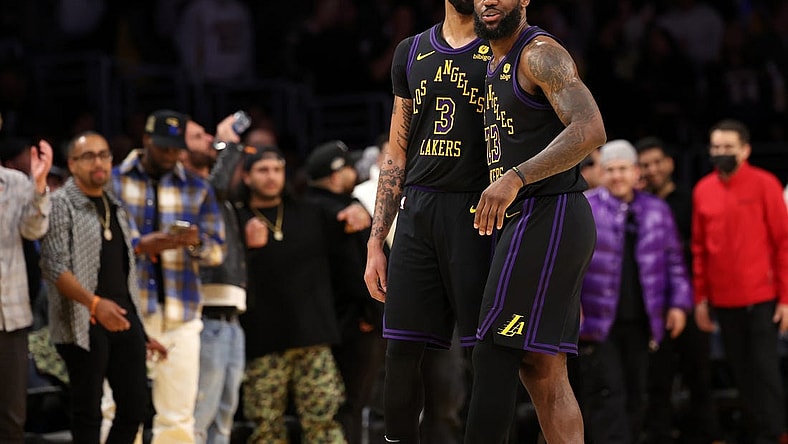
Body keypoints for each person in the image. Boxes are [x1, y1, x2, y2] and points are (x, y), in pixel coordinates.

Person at [464, 0, 607, 442]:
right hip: (533, 217)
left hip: (551, 211)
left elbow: (590, 129)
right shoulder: (491, 62)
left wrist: (516, 177)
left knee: (494, 351)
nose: (488, 1)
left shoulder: (540, 53)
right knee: (542, 366)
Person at [362, 0, 494, 442]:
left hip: (479, 209)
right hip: (418, 209)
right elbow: (396, 153)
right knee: (400, 350)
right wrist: (376, 242)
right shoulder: (410, 50)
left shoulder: (505, 45)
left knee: (488, 355)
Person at [39, 132, 167, 444]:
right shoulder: (60, 204)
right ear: (72, 164)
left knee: (135, 408)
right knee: (88, 412)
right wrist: (95, 304)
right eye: (89, 156)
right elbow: (54, 266)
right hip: (83, 319)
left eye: (104, 155)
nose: (98, 162)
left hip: (122, 316)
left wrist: (140, 330)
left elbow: (123, 272)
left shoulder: (115, 206)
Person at [111, 109, 225, 444]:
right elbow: (105, 244)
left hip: (181, 309)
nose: (171, 155)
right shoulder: (114, 181)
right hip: (127, 310)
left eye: (176, 149)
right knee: (117, 409)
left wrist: (195, 243)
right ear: (146, 140)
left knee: (177, 415)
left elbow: (217, 252)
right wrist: (142, 245)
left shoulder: (198, 187)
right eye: (163, 147)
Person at [576, 140, 691, 443]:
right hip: (598, 321)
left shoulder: (657, 210)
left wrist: (679, 305)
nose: (617, 176)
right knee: (606, 393)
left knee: (638, 392)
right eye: (610, 169)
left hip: (643, 319)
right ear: (601, 172)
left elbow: (675, 262)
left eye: (623, 169)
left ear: (636, 171)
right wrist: (571, 306)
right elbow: (565, 265)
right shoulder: (585, 207)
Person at [237, 146, 346, 443]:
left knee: (324, 419)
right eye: (263, 170)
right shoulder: (237, 218)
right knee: (265, 426)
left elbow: (346, 220)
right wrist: (246, 247)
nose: (271, 176)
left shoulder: (310, 212)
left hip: (313, 336)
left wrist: (357, 211)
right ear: (246, 177)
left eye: (277, 169)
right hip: (262, 339)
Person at [692, 118, 788, 443]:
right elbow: (699, 249)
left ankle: (775, 434)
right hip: (723, 301)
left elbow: (783, 243)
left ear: (744, 150)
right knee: (740, 372)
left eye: (727, 147)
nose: (720, 152)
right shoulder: (703, 190)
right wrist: (701, 299)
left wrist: (786, 299)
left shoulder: (765, 184)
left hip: (763, 298)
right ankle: (755, 433)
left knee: (765, 371)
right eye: (716, 146)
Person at [636, 136, 722, 444]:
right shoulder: (636, 206)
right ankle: (660, 436)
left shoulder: (689, 200)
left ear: (670, 164)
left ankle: (707, 436)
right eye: (645, 165)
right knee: (656, 380)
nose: (652, 170)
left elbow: (702, 251)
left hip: (690, 300)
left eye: (657, 163)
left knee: (698, 375)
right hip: (653, 305)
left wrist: (701, 299)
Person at [303, 140, 385, 444]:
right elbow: (353, 271)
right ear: (336, 175)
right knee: (351, 404)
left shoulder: (308, 208)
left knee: (338, 406)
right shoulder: (342, 213)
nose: (355, 172)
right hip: (353, 324)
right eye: (350, 167)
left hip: (324, 324)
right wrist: (370, 313)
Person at [180, 115, 246, 444]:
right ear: (178, 151)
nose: (209, 139)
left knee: (223, 419)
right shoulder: (186, 189)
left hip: (231, 317)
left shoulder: (214, 191)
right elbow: (212, 189)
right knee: (200, 417)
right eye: (198, 136)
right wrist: (228, 144)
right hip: (205, 314)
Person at [0, 138, 52, 444]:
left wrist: (40, 185)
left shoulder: (16, 182)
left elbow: (34, 230)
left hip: (11, 317)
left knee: (12, 417)